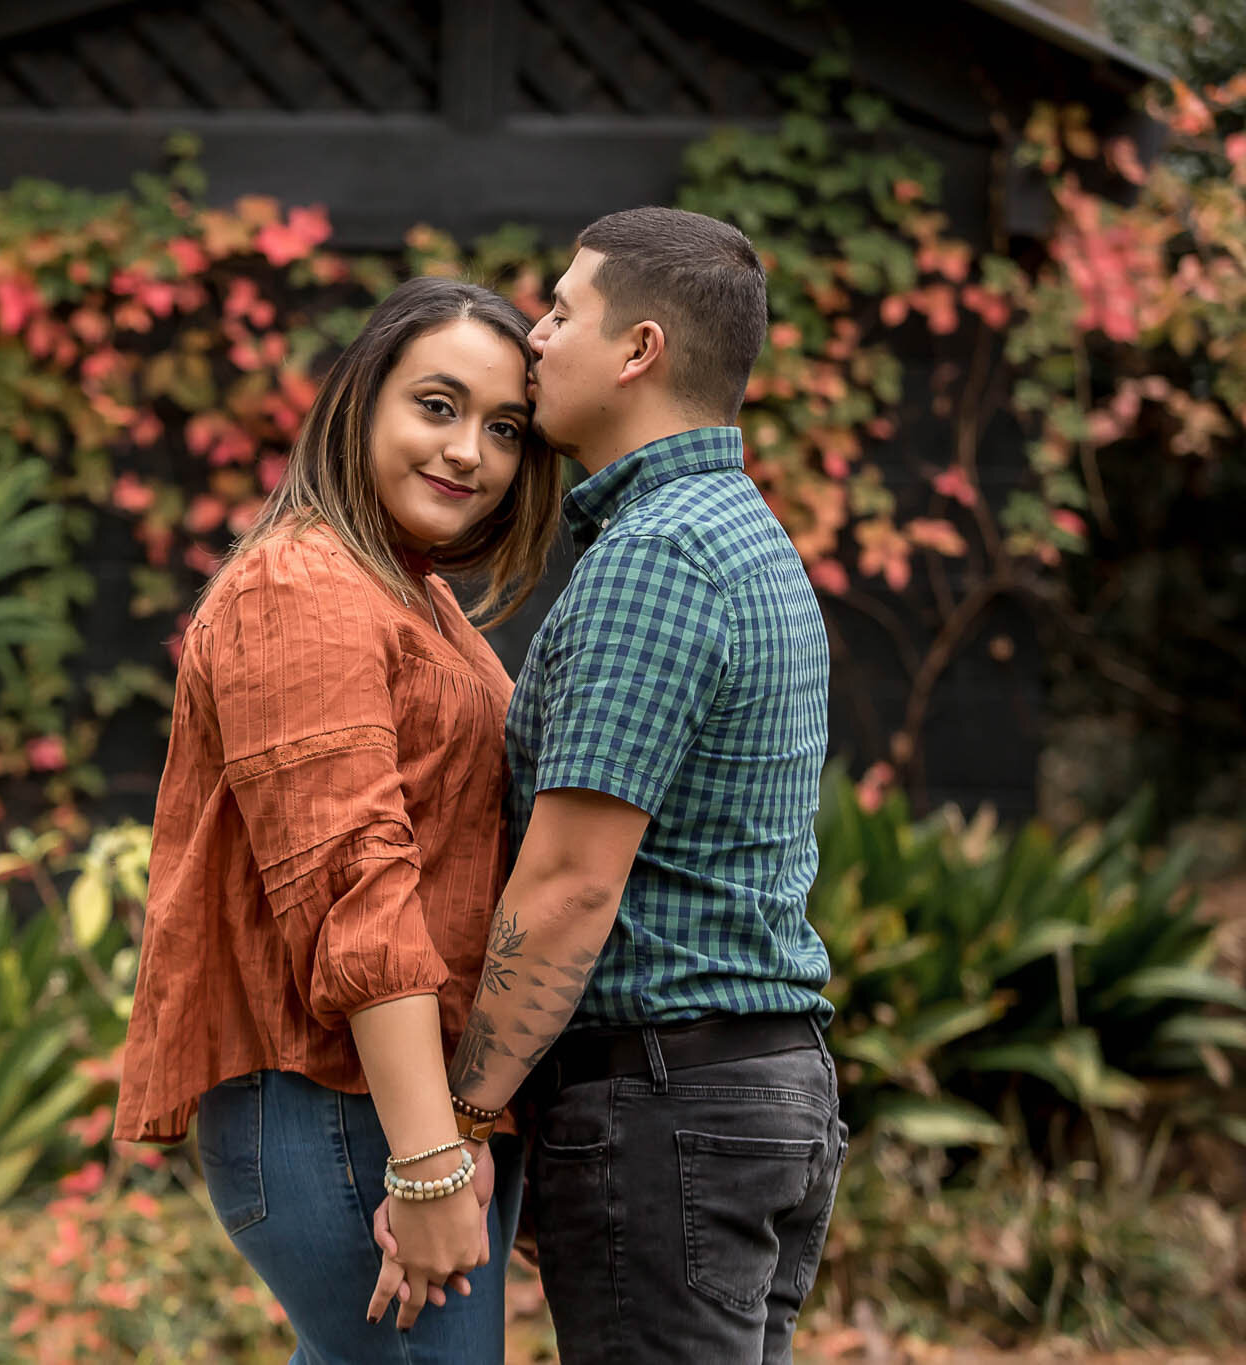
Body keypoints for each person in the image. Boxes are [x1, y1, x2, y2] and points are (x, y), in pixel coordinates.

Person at [113, 275, 564, 1361]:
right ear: (357, 402)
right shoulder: (301, 588)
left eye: (504, 428)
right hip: (336, 1098)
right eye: (437, 406)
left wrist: (467, 1127)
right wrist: (425, 1158)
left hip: (407, 1101)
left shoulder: (415, 598)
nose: (469, 453)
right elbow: (351, 887)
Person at [439, 206, 846, 1363]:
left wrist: (466, 1121)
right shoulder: (744, 535)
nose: (534, 335)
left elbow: (570, 883)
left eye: (561, 309)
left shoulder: (655, 558)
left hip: (669, 1104)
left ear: (638, 351)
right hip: (751, 1092)